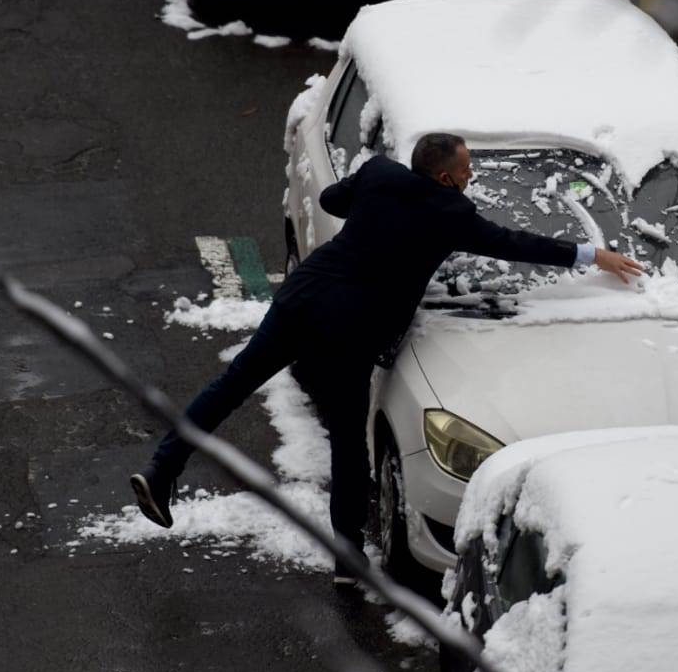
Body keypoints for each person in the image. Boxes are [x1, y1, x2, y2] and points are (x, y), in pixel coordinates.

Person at [129, 132, 643, 578]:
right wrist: (589, 253)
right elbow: (513, 243)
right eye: (466, 170)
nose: (471, 177)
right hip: (353, 328)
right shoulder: (452, 213)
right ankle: (347, 559)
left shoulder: (378, 174)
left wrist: (370, 204)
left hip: (304, 297)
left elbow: (332, 199)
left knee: (231, 386)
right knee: (348, 440)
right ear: (445, 178)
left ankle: (162, 469)